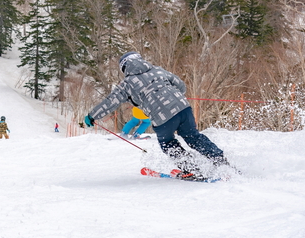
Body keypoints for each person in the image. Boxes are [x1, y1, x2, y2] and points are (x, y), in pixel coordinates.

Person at [83, 52, 229, 170]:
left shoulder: (127, 83)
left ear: (125, 68)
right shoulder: (157, 70)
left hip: (162, 117)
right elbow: (181, 85)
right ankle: (221, 162)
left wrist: (92, 116)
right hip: (183, 108)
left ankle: (192, 169)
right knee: (194, 137)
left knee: (168, 143)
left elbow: (110, 102)